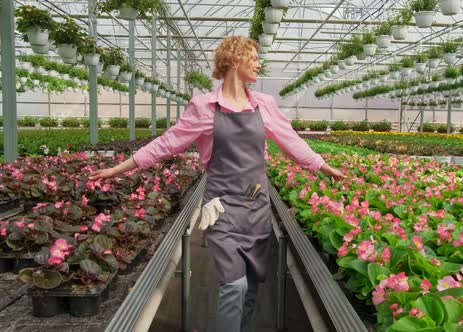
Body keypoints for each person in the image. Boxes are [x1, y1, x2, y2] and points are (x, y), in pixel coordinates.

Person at [90, 35, 344, 332]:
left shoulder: (264, 105)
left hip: (256, 207)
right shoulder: (204, 107)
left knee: (252, 284)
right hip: (221, 208)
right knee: (233, 285)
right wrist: (118, 169)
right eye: (253, 58)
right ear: (235, 60)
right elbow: (167, 143)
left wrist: (322, 166)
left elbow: (291, 141)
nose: (259, 64)